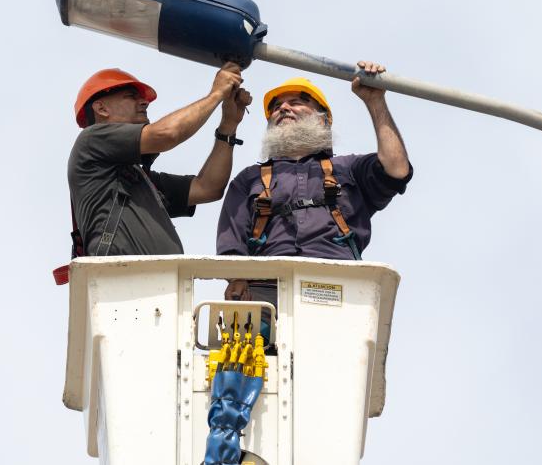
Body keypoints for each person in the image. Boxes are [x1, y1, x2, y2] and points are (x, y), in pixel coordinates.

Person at [217, 61, 412, 301]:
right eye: (276, 106)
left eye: (297, 102)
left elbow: (397, 168)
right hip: (267, 291)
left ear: (323, 120)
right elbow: (231, 247)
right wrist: (237, 281)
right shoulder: (249, 179)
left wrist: (375, 101)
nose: (284, 108)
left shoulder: (349, 169)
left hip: (338, 288)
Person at [67, 62, 252, 257]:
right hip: (118, 279)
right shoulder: (91, 140)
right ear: (101, 109)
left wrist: (228, 125)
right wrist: (215, 95)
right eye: (131, 96)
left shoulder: (139, 179)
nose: (144, 102)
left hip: (156, 281)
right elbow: (167, 134)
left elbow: (208, 188)